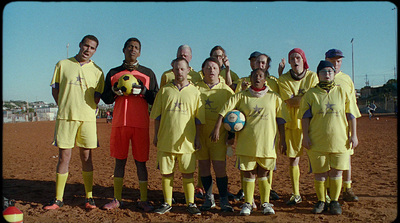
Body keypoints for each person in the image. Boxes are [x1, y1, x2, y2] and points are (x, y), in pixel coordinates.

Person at [211, 68, 287, 216]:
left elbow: (281, 120)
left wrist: (283, 139)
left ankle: (265, 203)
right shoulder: (241, 96)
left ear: (265, 79)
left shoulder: (274, 97)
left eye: (260, 76)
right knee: (249, 173)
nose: (257, 78)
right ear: (250, 78)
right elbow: (224, 110)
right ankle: (248, 203)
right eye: (254, 76)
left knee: (264, 172)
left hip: (267, 144)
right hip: (246, 144)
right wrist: (217, 127)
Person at [44, 35, 104, 210]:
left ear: (95, 51)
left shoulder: (98, 71)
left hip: (87, 119)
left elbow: (97, 96)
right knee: (64, 157)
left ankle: (89, 197)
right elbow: (55, 89)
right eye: (86, 46)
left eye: (92, 48)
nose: (88, 50)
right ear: (80, 45)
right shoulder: (62, 64)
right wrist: (64, 105)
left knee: (86, 157)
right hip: (66, 117)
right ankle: (58, 199)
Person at [100, 37, 159, 212]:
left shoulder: (147, 73)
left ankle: (143, 199)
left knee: (141, 162)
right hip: (120, 123)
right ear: (124, 50)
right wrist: (113, 92)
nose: (133, 50)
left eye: (136, 48)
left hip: (140, 124)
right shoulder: (113, 72)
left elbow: (155, 98)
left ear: (139, 52)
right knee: (120, 161)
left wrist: (144, 92)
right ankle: (117, 199)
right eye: (130, 47)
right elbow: (106, 98)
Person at [299, 60, 360, 214]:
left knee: (336, 172)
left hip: (340, 141)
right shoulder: (310, 94)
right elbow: (305, 118)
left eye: (330, 72)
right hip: (317, 141)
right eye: (323, 72)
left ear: (334, 74)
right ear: (318, 75)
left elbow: (351, 115)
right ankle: (321, 201)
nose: (327, 74)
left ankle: (334, 201)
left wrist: (354, 135)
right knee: (319, 173)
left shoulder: (342, 92)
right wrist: (305, 136)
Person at [150, 57, 205, 215]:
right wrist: (156, 136)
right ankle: (167, 203)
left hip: (187, 142)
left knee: (188, 173)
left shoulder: (195, 92)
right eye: (176, 69)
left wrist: (197, 138)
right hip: (166, 140)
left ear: (188, 70)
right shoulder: (165, 90)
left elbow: (199, 119)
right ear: (172, 70)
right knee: (166, 173)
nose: (179, 72)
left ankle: (191, 203)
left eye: (182, 69)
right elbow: (157, 116)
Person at [233, 53, 281, 203]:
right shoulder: (243, 82)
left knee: (265, 166)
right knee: (248, 165)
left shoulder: (273, 83)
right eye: (257, 62)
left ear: (267, 66)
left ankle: (267, 193)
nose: (260, 64)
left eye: (263, 63)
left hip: (267, 131)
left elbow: (277, 106)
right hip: (248, 133)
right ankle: (247, 196)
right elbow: (235, 109)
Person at [278, 48, 318, 206]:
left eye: (298, 57)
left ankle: (323, 193)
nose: (295, 61)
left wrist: (299, 98)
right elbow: (291, 102)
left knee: (317, 160)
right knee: (293, 160)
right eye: (292, 58)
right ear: (289, 62)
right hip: (293, 124)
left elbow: (314, 99)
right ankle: (296, 193)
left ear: (303, 59)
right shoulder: (284, 79)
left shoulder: (312, 76)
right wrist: (304, 98)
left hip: (313, 125)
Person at [195, 57, 235, 212]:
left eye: (214, 68)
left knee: (220, 168)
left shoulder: (226, 90)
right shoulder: (196, 88)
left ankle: (224, 199)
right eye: (208, 67)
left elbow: (234, 115)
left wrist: (231, 135)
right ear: (203, 70)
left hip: (219, 136)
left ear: (220, 71)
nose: (211, 70)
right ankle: (209, 197)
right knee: (203, 166)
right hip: (201, 134)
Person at [325, 49, 362, 202]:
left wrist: (353, 133)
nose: (336, 64)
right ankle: (328, 189)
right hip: (324, 126)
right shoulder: (319, 77)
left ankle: (347, 188)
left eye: (339, 61)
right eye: (333, 61)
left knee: (346, 158)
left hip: (343, 127)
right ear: (326, 60)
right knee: (326, 159)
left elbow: (352, 108)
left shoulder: (346, 79)